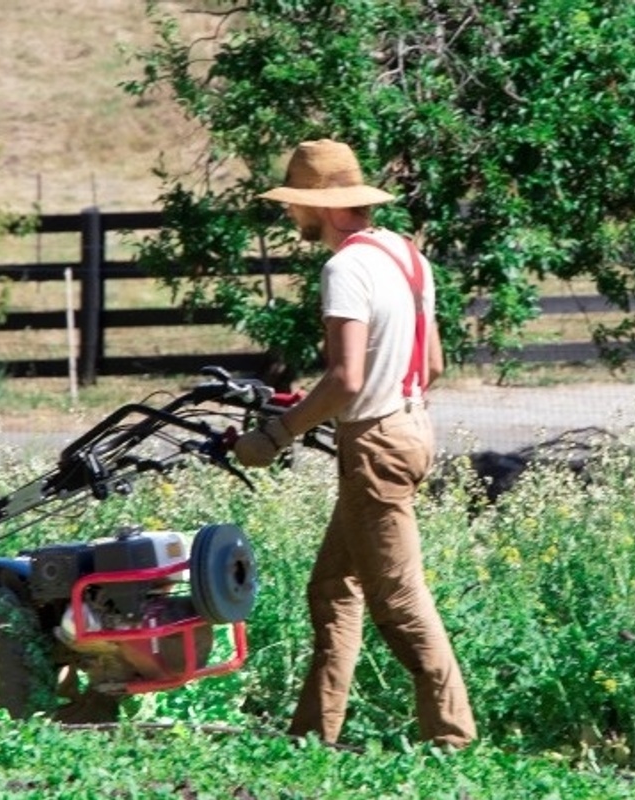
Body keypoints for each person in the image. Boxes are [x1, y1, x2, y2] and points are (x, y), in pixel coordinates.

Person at [232, 139, 477, 749]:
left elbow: (346, 378)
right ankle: (312, 736)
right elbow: (436, 363)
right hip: (413, 426)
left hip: (376, 442)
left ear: (323, 204)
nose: (292, 217)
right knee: (333, 587)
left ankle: (452, 740)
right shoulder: (407, 255)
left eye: (296, 205)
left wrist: (277, 434)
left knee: (397, 600)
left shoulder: (344, 268)